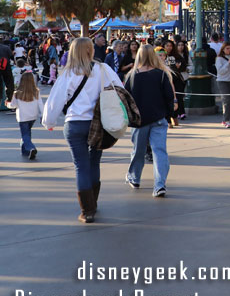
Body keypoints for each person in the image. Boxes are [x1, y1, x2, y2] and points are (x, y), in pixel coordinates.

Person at [42, 37, 121, 223]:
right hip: (98, 124)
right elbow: (120, 89)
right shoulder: (103, 69)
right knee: (94, 163)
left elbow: (55, 100)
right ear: (91, 50)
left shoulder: (68, 73)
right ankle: (92, 202)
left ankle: (87, 210)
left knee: (81, 166)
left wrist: (49, 122)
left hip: (75, 124)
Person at [124, 44, 176, 197]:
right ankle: (160, 184)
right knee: (159, 152)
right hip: (158, 117)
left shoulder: (132, 76)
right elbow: (169, 97)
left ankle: (134, 177)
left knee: (138, 151)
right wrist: (168, 114)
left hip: (139, 120)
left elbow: (126, 99)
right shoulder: (161, 74)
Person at [11, 68, 42, 159]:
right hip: (33, 116)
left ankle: (31, 148)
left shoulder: (17, 93)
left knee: (25, 134)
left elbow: (13, 105)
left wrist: (8, 103)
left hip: (22, 117)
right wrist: (42, 116)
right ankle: (25, 151)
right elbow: (40, 104)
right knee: (27, 133)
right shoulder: (36, 92)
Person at [214, 43, 230, 128]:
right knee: (226, 100)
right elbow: (221, 71)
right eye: (227, 48)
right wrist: (228, 63)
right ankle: (225, 120)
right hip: (222, 81)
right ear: (223, 49)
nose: (229, 50)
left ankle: (227, 119)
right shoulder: (219, 59)